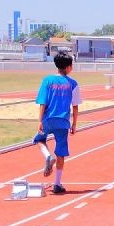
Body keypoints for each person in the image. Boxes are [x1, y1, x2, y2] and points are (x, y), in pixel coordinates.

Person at [34, 52, 81, 195]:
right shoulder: (73, 83)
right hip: (63, 121)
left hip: (48, 119)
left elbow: (42, 102)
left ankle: (48, 156)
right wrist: (74, 125)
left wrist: (39, 121)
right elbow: (75, 106)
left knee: (40, 140)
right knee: (61, 153)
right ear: (68, 67)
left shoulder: (47, 80)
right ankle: (57, 184)